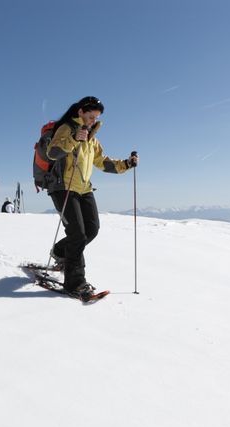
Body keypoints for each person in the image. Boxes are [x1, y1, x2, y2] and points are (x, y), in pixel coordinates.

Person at [46, 96, 139, 295]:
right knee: (77, 234)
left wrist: (127, 164)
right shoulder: (66, 129)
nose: (92, 121)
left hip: (84, 189)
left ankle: (61, 251)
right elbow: (52, 152)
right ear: (80, 112)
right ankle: (75, 283)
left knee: (92, 229)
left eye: (96, 118)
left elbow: (102, 162)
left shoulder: (92, 139)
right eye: (90, 116)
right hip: (63, 187)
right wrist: (73, 139)